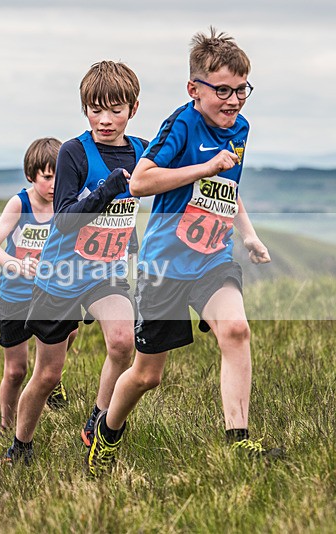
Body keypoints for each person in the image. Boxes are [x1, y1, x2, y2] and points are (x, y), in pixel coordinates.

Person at [86, 28, 283, 476]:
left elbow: (223, 187)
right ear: (194, 89)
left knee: (235, 330)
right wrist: (204, 166)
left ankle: (238, 440)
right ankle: (108, 434)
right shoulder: (180, 126)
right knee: (146, 375)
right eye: (223, 91)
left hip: (212, 258)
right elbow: (140, 182)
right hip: (165, 267)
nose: (233, 101)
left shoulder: (240, 129)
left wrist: (247, 233)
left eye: (241, 90)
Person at [3, 61, 146, 465]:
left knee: (122, 341)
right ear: (85, 109)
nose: (105, 119)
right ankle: (21, 445)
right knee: (47, 376)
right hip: (61, 275)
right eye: (95, 109)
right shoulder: (74, 152)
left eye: (115, 110)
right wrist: (112, 186)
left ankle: (99, 421)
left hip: (107, 272)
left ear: (133, 109)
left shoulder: (141, 150)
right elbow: (64, 221)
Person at [0, 137, 74, 436]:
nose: (54, 183)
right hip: (16, 297)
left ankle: (50, 380)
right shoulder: (20, 203)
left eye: (60, 175)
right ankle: (6, 425)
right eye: (47, 177)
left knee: (71, 331)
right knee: (16, 370)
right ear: (31, 175)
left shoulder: (66, 205)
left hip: (53, 294)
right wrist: (16, 265)